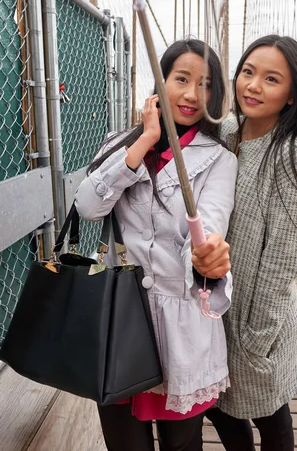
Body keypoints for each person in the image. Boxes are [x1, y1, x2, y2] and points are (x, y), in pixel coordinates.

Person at [75, 39, 238, 451]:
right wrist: (146, 138)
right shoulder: (121, 143)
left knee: (183, 445)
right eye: (181, 79)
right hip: (119, 323)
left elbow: (210, 225)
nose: (190, 94)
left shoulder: (219, 160)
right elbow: (89, 206)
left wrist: (206, 258)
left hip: (181, 328)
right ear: (160, 82)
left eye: (204, 85)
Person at [206, 35, 297, 451]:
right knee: (218, 407)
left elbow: (284, 257)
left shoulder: (289, 154)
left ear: (292, 95)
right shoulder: (224, 132)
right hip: (214, 313)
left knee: (269, 413)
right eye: (248, 72)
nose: (253, 86)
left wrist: (257, 335)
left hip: (259, 321)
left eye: (271, 79)